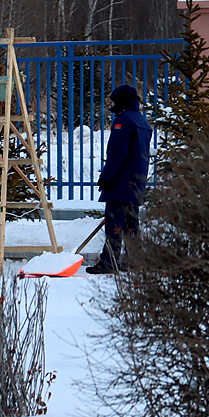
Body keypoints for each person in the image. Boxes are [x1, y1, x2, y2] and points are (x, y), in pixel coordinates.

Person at [86, 84, 152, 275]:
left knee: (114, 223)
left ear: (122, 101)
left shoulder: (122, 121)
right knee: (132, 224)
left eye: (113, 101)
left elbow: (117, 153)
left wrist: (107, 177)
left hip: (121, 182)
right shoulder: (142, 122)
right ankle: (135, 260)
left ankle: (109, 262)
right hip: (136, 182)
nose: (112, 104)